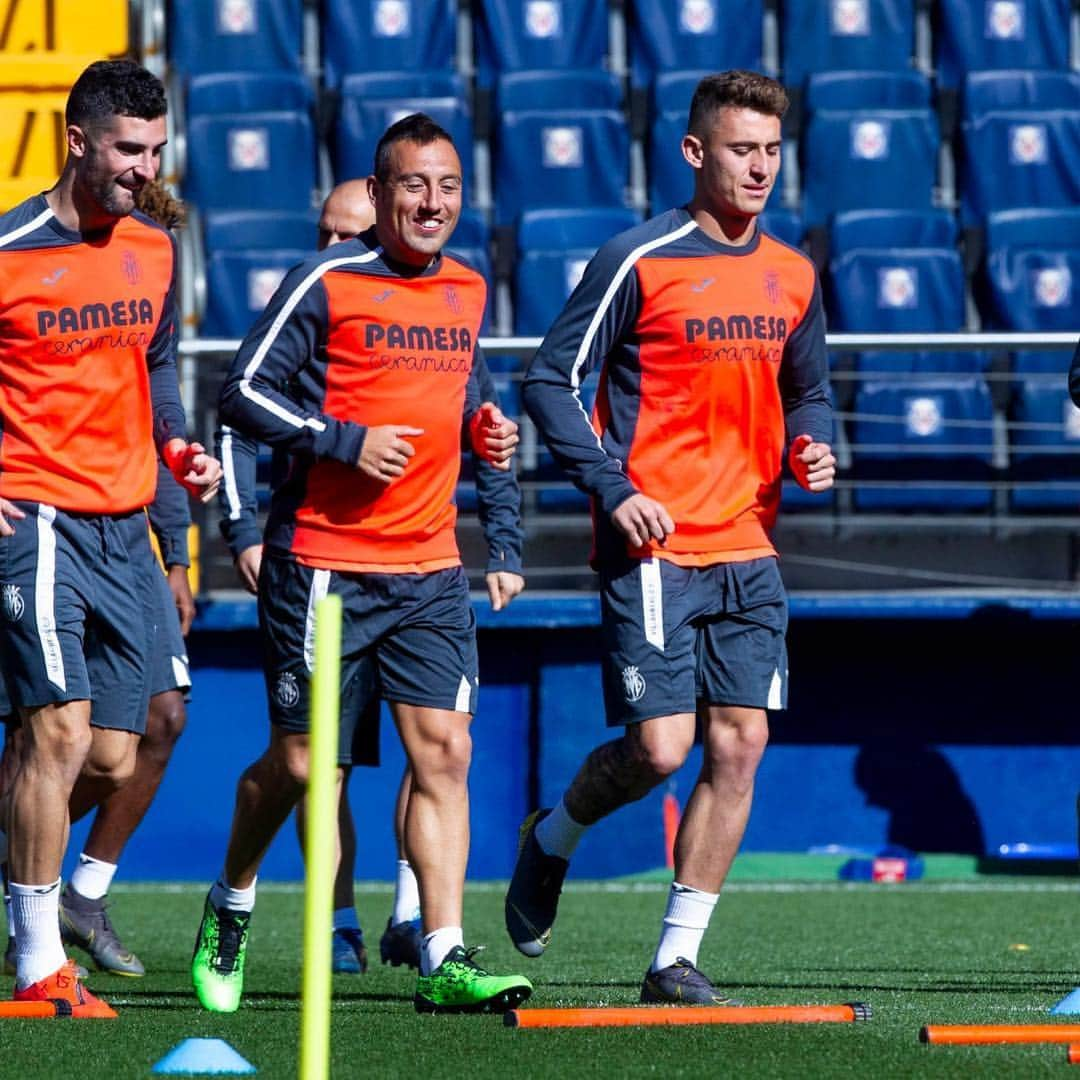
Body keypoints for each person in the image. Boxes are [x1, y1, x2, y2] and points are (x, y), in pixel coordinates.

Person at [506, 70, 836, 1004]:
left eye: (772, 150)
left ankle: (673, 960)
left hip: (749, 545)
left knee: (740, 745)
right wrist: (614, 490)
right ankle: (552, 838)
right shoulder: (635, 259)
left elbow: (808, 388)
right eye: (742, 149)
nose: (760, 167)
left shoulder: (794, 269)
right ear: (695, 153)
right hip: (652, 546)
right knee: (658, 750)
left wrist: (814, 443)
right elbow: (547, 382)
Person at [194, 113, 531, 1015]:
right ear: (379, 195)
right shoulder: (325, 278)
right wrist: (343, 442)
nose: (433, 203)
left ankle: (445, 952)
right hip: (325, 569)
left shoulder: (467, 287)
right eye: (414, 186)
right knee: (305, 768)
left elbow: (463, 403)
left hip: (429, 568)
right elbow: (241, 394)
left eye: (449, 186)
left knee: (445, 754)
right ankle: (230, 900)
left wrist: (483, 439)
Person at [0, 59, 221, 1017]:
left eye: (157, 151)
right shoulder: (7, 247)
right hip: (35, 513)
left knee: (115, 756)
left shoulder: (156, 249)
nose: (145, 169)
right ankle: (40, 960)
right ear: (77, 141)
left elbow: (157, 368)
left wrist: (178, 450)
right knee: (55, 731)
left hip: (126, 520)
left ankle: (26, 870)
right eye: (129, 150)